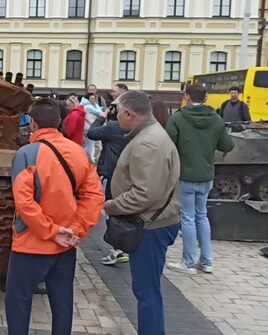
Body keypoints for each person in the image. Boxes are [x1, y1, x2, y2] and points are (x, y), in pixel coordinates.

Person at [4, 98, 103, 335]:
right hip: (66, 245)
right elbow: (94, 197)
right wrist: (75, 231)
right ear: (59, 121)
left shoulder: (26, 154)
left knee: (18, 301)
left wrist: (51, 231)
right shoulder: (79, 153)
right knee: (62, 304)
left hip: (31, 245)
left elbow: (25, 203)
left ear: (33, 123)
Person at [104, 90, 180, 335]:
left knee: (146, 293)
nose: (115, 118)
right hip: (153, 222)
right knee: (147, 291)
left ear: (128, 113)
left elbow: (146, 194)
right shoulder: (150, 135)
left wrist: (113, 205)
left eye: (117, 113)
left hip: (151, 226)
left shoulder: (148, 142)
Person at [165, 84, 234, 275]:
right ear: (205, 98)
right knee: (202, 216)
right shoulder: (216, 119)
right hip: (206, 174)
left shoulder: (178, 118)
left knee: (187, 217)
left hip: (185, 174)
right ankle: (207, 261)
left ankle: (188, 262)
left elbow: (167, 144)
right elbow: (227, 145)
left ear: (187, 96)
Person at [87, 100, 131, 266]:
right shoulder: (134, 128)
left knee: (111, 210)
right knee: (125, 209)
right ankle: (125, 247)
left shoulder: (113, 127)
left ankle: (118, 250)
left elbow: (92, 133)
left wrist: (100, 117)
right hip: (129, 173)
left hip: (112, 173)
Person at [81, 94, 102, 161]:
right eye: (92, 99)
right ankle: (90, 161)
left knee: (93, 146)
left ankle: (91, 160)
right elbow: (100, 112)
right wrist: (96, 104)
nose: (93, 100)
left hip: (89, 128)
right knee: (90, 147)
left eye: (94, 99)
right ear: (88, 100)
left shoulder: (85, 106)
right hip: (89, 128)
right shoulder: (88, 107)